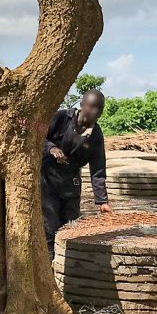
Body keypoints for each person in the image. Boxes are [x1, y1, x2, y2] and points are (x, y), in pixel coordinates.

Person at [42, 89, 112, 259]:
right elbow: (38, 137)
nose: (95, 112)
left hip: (71, 183)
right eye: (92, 107)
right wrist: (51, 148)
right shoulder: (60, 118)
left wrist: (102, 201)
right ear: (82, 105)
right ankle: (50, 267)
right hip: (47, 180)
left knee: (71, 228)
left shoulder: (95, 135)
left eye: (99, 109)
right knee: (49, 228)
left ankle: (68, 267)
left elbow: (98, 168)